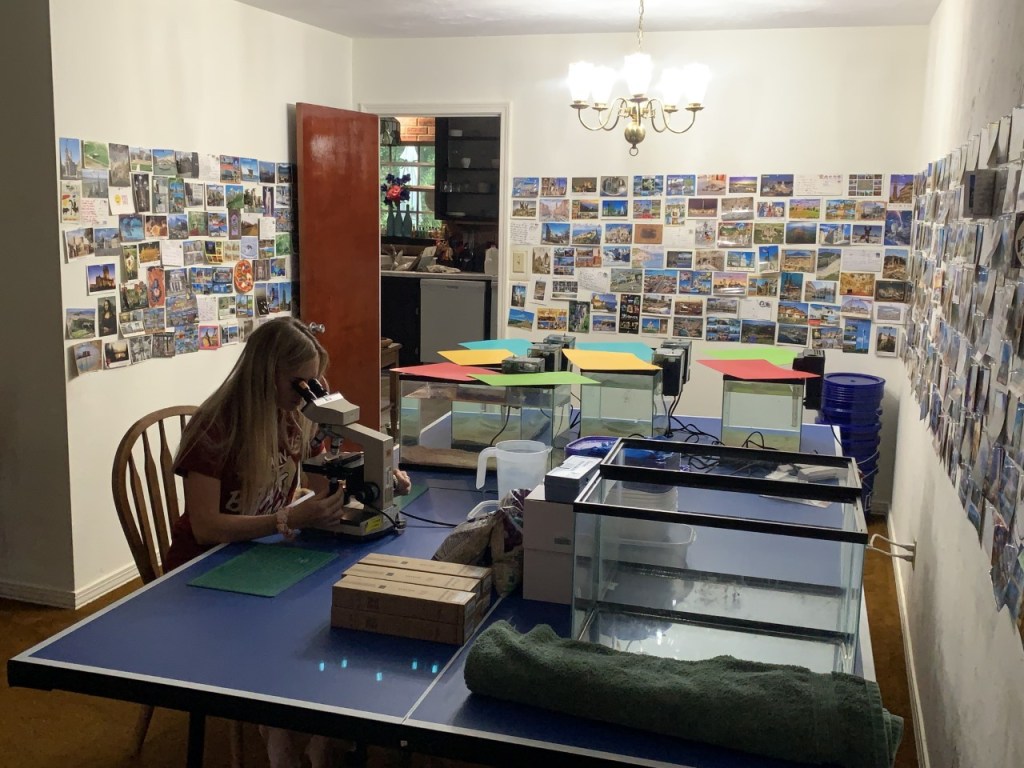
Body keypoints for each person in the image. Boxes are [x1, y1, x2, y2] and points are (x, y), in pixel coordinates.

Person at [165, 317, 410, 768]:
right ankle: (282, 736)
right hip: (204, 569)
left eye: (312, 384)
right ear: (266, 375)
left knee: (334, 618)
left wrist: (381, 472)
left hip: (261, 553)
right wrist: (286, 518)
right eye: (300, 384)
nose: (305, 394)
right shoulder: (214, 429)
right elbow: (205, 527)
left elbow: (326, 471)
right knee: (289, 641)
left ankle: (314, 731)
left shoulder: (293, 418)